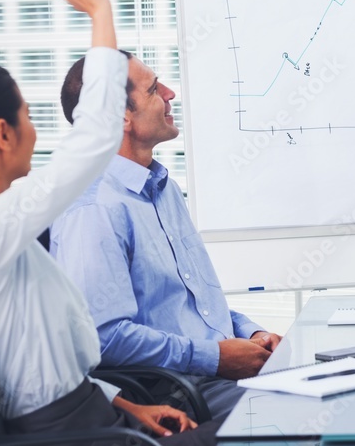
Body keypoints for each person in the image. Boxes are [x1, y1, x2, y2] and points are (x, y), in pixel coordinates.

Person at [0, 0, 218, 443]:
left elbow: (34, 357)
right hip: (73, 433)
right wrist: (99, 10)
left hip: (94, 414)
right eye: (27, 117)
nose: (36, 132)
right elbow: (93, 137)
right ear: (2, 135)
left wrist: (124, 404)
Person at [49, 51, 282, 423]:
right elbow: (104, 338)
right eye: (155, 88)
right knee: (321, 416)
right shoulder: (93, 210)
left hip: (214, 377)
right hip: (180, 393)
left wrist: (252, 333)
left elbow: (192, 304)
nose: (171, 94)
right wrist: (215, 357)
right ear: (122, 116)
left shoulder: (164, 189)